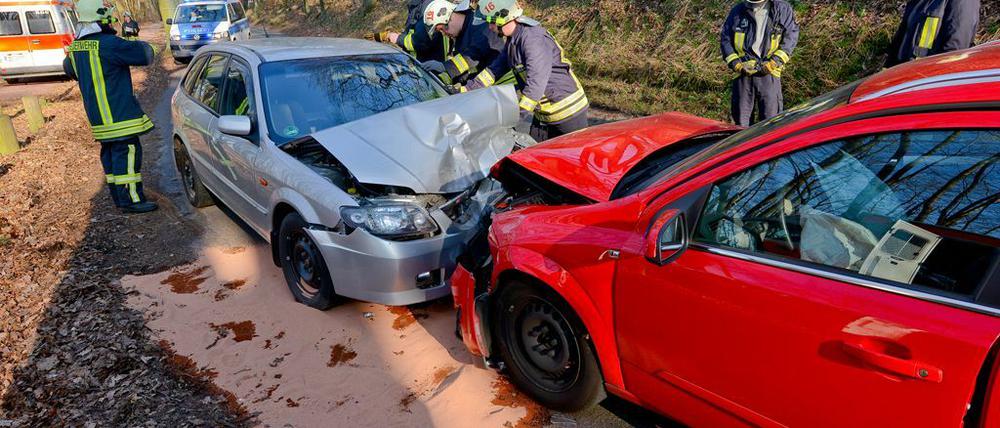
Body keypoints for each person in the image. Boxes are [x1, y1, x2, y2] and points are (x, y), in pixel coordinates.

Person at [63, 0, 158, 213]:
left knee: (111, 156)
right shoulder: (109, 44)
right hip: (119, 116)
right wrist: (139, 42)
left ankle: (120, 198)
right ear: (101, 20)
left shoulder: (76, 48)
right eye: (109, 19)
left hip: (98, 119)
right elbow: (145, 55)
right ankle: (133, 200)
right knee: (128, 154)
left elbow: (69, 70)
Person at [463, 0, 589, 142]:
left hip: (567, 113)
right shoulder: (513, 40)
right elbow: (493, 71)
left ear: (503, 18)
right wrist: (464, 90)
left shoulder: (532, 39)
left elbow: (535, 84)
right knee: (533, 157)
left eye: (491, 22)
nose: (490, 27)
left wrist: (515, 117)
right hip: (544, 114)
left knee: (570, 159)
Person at [720, 0, 799, 127]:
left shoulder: (782, 10)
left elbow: (790, 37)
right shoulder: (738, 11)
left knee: (771, 122)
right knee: (741, 124)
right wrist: (736, 64)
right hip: (743, 75)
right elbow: (725, 40)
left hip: (769, 73)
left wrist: (775, 62)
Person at [422, 0, 506, 85]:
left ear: (448, 18)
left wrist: (445, 67)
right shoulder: (462, 36)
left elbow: (473, 55)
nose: (444, 34)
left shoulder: (480, 24)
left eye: (442, 29)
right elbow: (464, 69)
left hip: (502, 88)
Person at [885, 0, 980, 68]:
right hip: (905, 77)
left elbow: (955, 50)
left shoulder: (963, 2)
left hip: (928, 81)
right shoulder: (919, 2)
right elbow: (901, 41)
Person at [365, 0, 448, 63]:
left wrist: (395, 38)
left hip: (430, 72)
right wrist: (387, 36)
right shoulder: (417, 6)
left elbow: (420, 42)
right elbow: (412, 33)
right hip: (421, 68)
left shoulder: (428, 6)